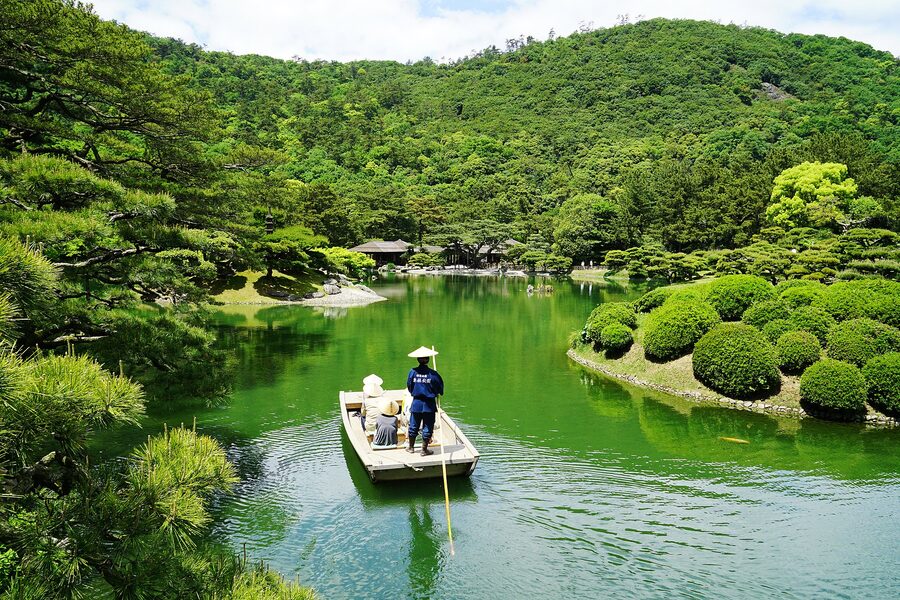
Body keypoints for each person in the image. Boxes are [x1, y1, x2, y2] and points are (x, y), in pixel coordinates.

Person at [405, 346, 443, 456]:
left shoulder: (412, 372)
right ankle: (424, 450)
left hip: (416, 403)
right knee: (428, 426)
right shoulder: (434, 374)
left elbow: (409, 387)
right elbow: (440, 389)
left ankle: (411, 448)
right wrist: (435, 391)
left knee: (413, 425)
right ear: (428, 359)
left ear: (418, 360)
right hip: (429, 404)